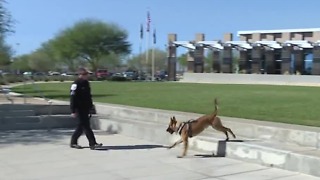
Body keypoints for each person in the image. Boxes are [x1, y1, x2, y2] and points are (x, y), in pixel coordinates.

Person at [69, 67, 102, 150]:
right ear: (80, 75)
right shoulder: (75, 84)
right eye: (84, 74)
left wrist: (91, 107)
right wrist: (73, 110)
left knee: (81, 127)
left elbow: (88, 97)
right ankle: (92, 143)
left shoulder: (86, 83)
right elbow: (73, 98)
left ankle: (73, 142)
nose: (86, 76)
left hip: (86, 108)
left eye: (87, 74)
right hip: (79, 109)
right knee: (86, 126)